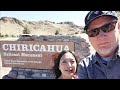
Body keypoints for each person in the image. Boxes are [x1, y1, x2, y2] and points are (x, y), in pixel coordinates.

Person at [77, 11, 120, 79]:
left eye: (107, 27)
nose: (101, 36)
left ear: (118, 27)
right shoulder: (85, 67)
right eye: (93, 31)